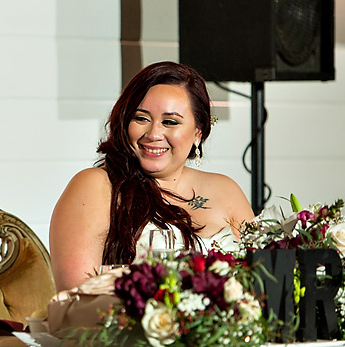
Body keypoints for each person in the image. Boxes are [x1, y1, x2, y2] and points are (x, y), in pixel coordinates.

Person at [50, 61, 255, 291]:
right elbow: (74, 300)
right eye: (141, 118)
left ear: (198, 132)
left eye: (170, 122)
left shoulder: (226, 190)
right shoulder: (94, 186)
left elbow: (261, 285)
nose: (154, 133)